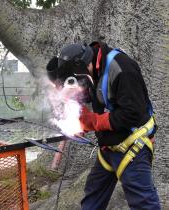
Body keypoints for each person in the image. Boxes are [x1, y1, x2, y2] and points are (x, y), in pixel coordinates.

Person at [46, 41, 160, 209]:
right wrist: (76, 118)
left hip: (133, 147)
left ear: (82, 66)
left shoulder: (122, 68)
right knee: (92, 199)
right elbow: (95, 95)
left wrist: (92, 122)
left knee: (144, 204)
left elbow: (132, 114)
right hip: (108, 148)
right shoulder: (92, 68)